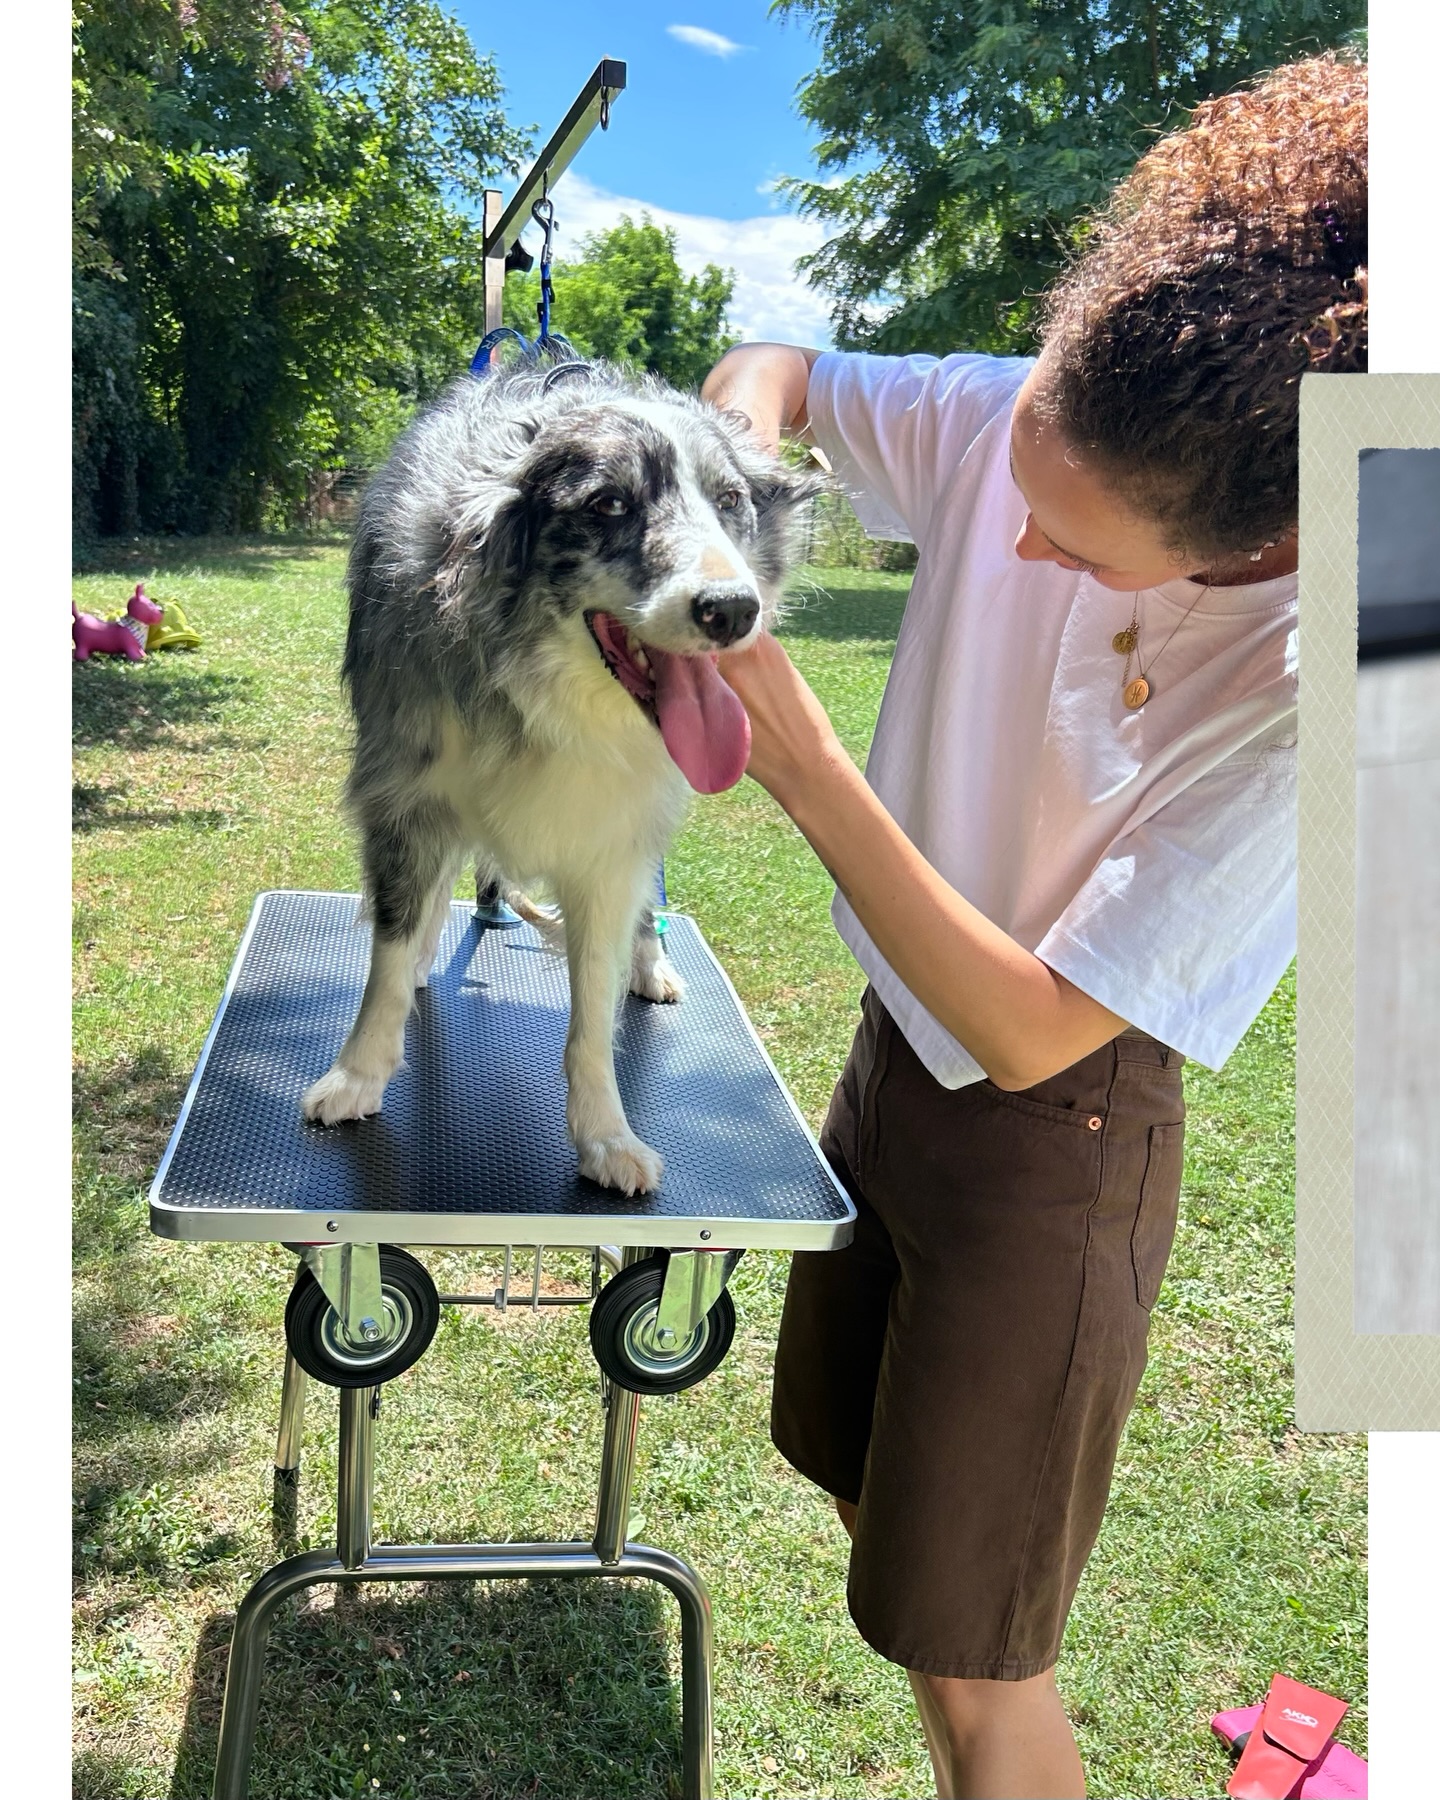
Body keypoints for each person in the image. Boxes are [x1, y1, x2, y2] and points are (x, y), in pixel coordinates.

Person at [700, 53, 1366, 1800]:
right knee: (881, 1532)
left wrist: (808, 768)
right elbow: (777, 366)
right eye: (1020, 499)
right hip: (889, 1072)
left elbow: (1032, 1030)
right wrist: (736, 475)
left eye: (1080, 555)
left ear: (1258, 548)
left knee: (985, 1663)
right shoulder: (1021, 422)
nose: (1024, 550)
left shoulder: (1331, 685)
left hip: (1048, 1146)